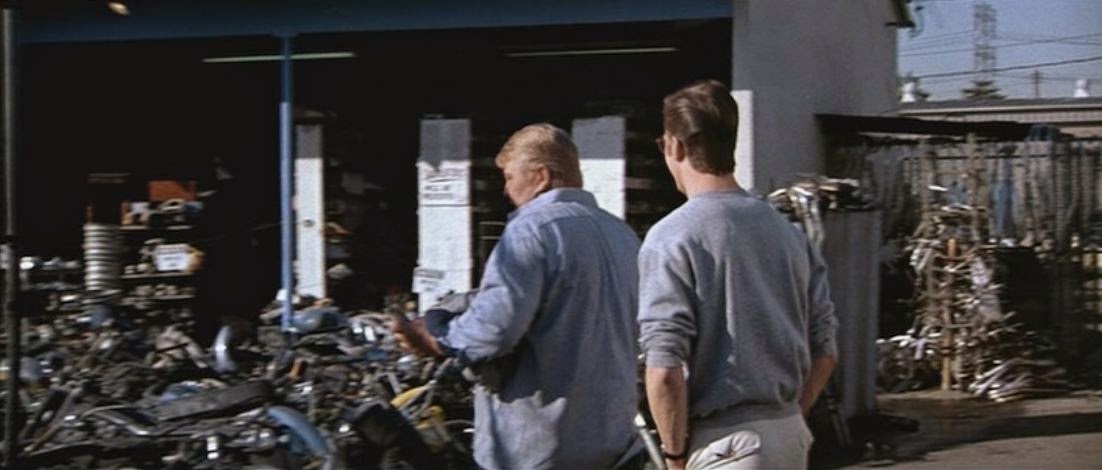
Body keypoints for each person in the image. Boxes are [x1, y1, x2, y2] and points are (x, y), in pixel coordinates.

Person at [392, 123, 644, 470]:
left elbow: (494, 329)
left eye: (510, 177)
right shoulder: (621, 234)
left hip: (539, 444)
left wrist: (437, 337)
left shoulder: (531, 231)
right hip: (613, 440)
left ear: (541, 177)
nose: (506, 190)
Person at [638, 80, 839, 470]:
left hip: (724, 443)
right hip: (789, 435)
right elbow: (826, 351)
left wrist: (674, 456)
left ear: (675, 146)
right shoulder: (788, 233)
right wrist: (790, 415)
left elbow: (663, 370)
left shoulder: (672, 236)